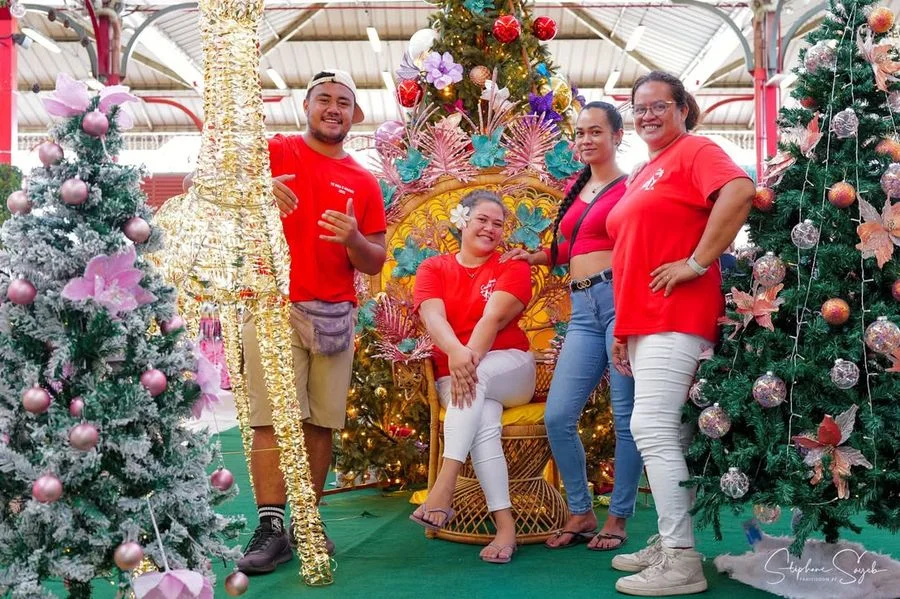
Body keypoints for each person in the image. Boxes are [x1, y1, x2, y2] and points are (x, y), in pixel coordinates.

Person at [606, 71, 754, 596]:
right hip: (644, 320)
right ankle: (672, 540)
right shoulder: (645, 170)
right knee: (673, 435)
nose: (646, 115)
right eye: (638, 107)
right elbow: (632, 255)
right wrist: (623, 330)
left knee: (651, 427)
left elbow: (739, 192)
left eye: (658, 106)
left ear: (682, 108)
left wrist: (695, 262)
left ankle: (681, 559)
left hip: (678, 313)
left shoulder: (695, 151)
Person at [237, 69, 387, 575]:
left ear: (353, 115)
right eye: (324, 98)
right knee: (273, 420)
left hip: (334, 314)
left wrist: (353, 239)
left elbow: (374, 260)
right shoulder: (275, 151)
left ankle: (306, 518)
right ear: (306, 106)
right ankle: (271, 526)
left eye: (344, 102)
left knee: (321, 422)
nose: (333, 108)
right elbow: (208, 189)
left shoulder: (365, 182)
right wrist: (258, 190)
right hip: (273, 305)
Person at [502, 102, 642, 552]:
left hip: (621, 301)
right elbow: (572, 249)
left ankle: (618, 517)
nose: (585, 139)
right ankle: (581, 512)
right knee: (558, 415)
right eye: (580, 133)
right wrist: (537, 256)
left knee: (625, 420)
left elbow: (637, 246)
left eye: (595, 131)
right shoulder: (576, 189)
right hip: (582, 309)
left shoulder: (630, 186)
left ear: (618, 135)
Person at [410, 190, 536, 564]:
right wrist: (457, 353)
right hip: (459, 372)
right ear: (462, 220)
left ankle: (443, 486)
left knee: (477, 381)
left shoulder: (512, 265)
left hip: (511, 366)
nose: (491, 229)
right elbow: (434, 319)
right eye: (482, 219)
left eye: (498, 224)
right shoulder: (433, 268)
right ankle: (505, 528)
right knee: (483, 424)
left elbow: (493, 319)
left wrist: (469, 358)